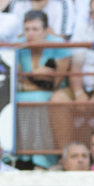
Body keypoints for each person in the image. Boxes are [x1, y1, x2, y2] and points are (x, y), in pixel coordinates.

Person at [17, 10, 71, 162]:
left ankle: (43, 159)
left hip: (56, 91)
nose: (30, 34)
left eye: (35, 29)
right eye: (27, 29)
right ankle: (20, 157)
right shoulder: (19, 45)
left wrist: (26, 82)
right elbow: (16, 82)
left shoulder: (58, 44)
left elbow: (55, 83)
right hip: (30, 91)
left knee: (39, 98)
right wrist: (34, 74)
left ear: (46, 30)